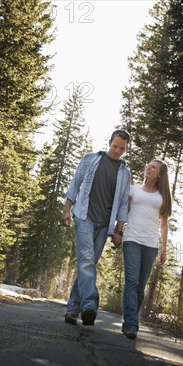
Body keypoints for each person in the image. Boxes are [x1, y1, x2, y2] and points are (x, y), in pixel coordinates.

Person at [61, 130, 132, 326]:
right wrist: (67, 210)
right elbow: (75, 185)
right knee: (86, 261)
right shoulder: (91, 160)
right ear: (109, 142)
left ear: (125, 149)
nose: (117, 151)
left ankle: (73, 309)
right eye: (115, 146)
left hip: (104, 225)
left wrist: (119, 231)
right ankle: (90, 305)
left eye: (122, 148)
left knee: (88, 264)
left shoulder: (125, 173)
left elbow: (124, 205)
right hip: (84, 217)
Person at [120, 159, 172, 339]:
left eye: (153, 167)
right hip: (132, 239)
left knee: (140, 287)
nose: (148, 168)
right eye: (148, 165)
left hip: (151, 244)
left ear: (160, 174)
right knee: (132, 282)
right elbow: (122, 212)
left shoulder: (162, 196)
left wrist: (164, 249)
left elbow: (164, 224)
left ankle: (130, 321)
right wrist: (118, 231)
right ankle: (132, 324)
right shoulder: (133, 190)